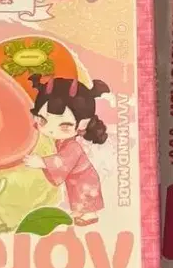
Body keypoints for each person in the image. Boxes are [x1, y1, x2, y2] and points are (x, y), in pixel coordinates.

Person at [23, 75, 110, 225]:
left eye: (64, 126)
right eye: (43, 120)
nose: (51, 130)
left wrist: (42, 162)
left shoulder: (73, 147)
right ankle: (80, 211)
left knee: (84, 196)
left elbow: (61, 161)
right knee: (77, 196)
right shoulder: (63, 141)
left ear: (82, 124)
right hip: (75, 178)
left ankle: (89, 215)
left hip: (84, 179)